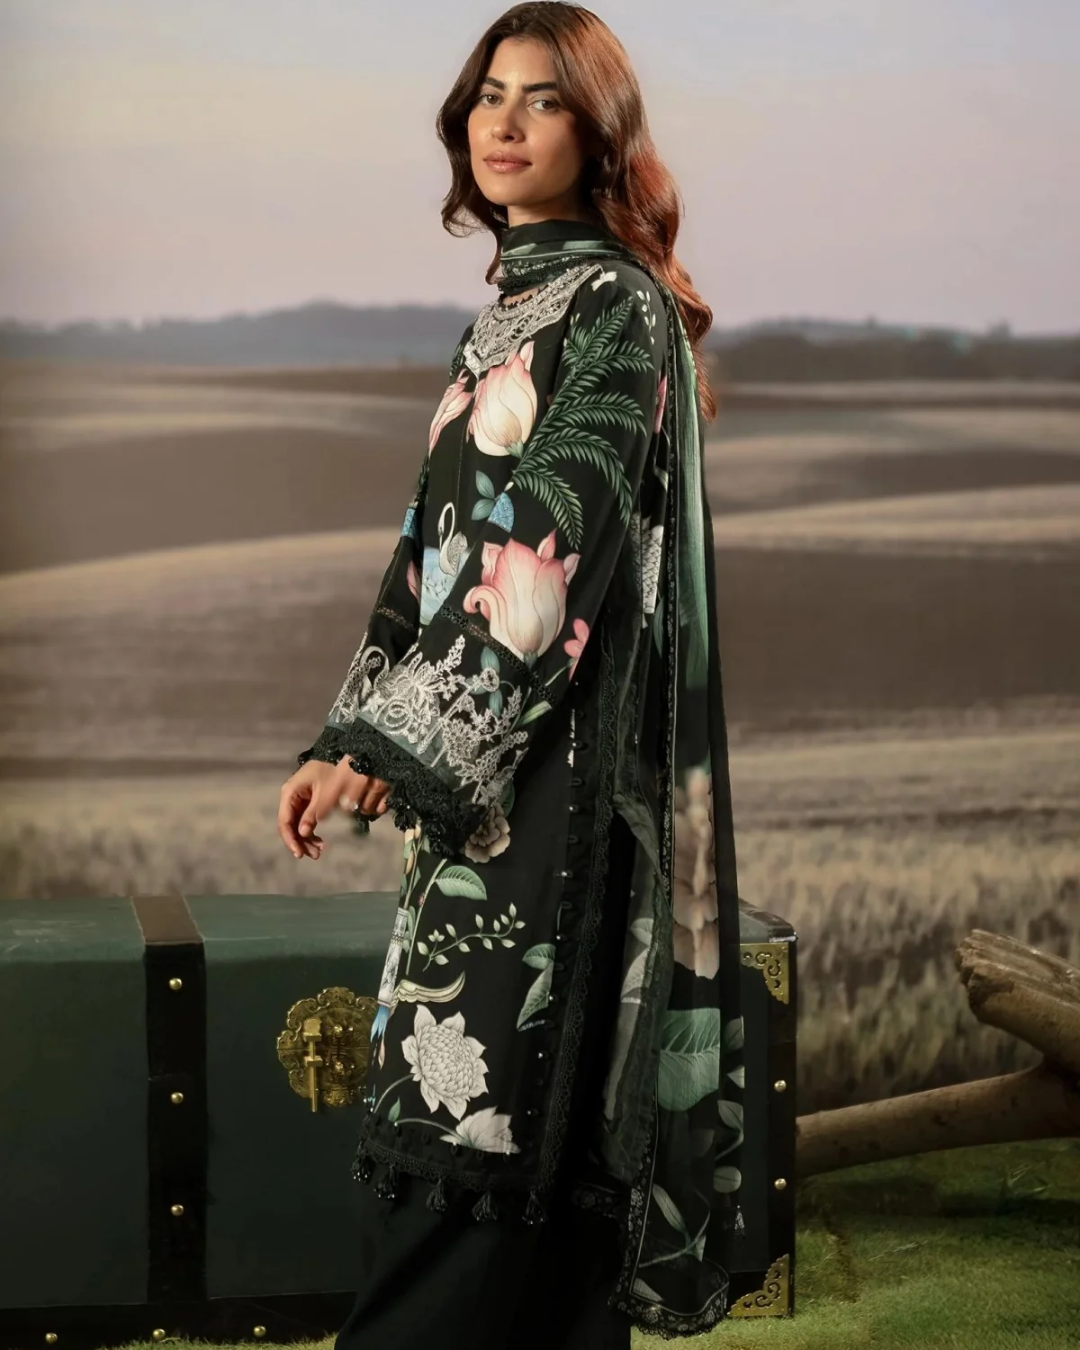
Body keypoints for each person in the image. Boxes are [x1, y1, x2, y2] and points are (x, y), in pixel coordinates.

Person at [277, 3, 745, 1343]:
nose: (505, 121)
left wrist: (405, 736)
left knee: (493, 1125)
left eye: (543, 99)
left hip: (560, 785)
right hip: (478, 788)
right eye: (490, 93)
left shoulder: (616, 309)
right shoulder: (511, 314)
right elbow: (431, 554)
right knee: (490, 1133)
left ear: (599, 132)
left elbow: (547, 535)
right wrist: (348, 736)